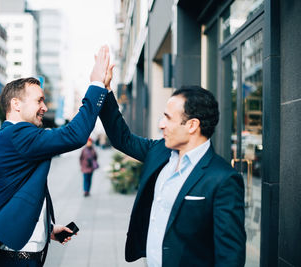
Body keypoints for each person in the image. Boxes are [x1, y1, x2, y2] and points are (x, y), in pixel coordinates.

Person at [0, 45, 111, 267]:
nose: (44, 107)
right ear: (16, 104)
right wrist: (96, 84)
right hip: (16, 259)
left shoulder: (13, 137)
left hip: (23, 254)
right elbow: (74, 135)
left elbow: (18, 194)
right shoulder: (17, 134)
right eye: (39, 100)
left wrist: (48, 229)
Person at [100, 68, 246, 266]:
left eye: (168, 118)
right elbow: (122, 138)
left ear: (192, 125)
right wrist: (105, 90)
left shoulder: (223, 179)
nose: (161, 124)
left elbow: (230, 256)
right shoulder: (159, 151)